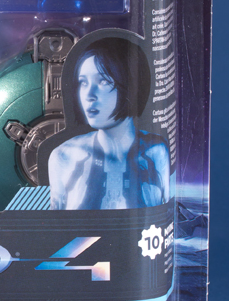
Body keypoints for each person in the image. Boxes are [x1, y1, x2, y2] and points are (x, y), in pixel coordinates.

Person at [48, 37, 170, 209]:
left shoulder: (156, 151)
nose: (89, 95)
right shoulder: (64, 156)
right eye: (83, 82)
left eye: (103, 81)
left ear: (131, 84)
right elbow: (55, 220)